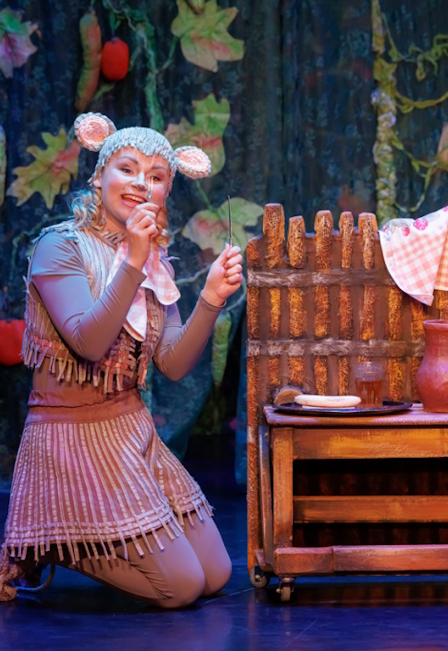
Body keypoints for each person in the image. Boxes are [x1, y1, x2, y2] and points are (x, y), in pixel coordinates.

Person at [0, 112, 243, 607]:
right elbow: (88, 343)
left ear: (166, 192)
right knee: (181, 587)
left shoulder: (154, 263)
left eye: (156, 177)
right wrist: (132, 260)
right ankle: (52, 539)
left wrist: (211, 298)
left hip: (130, 432)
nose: (140, 183)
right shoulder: (59, 246)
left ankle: (73, 532)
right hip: (71, 438)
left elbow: (172, 365)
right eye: (127, 169)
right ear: (99, 176)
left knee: (216, 574)